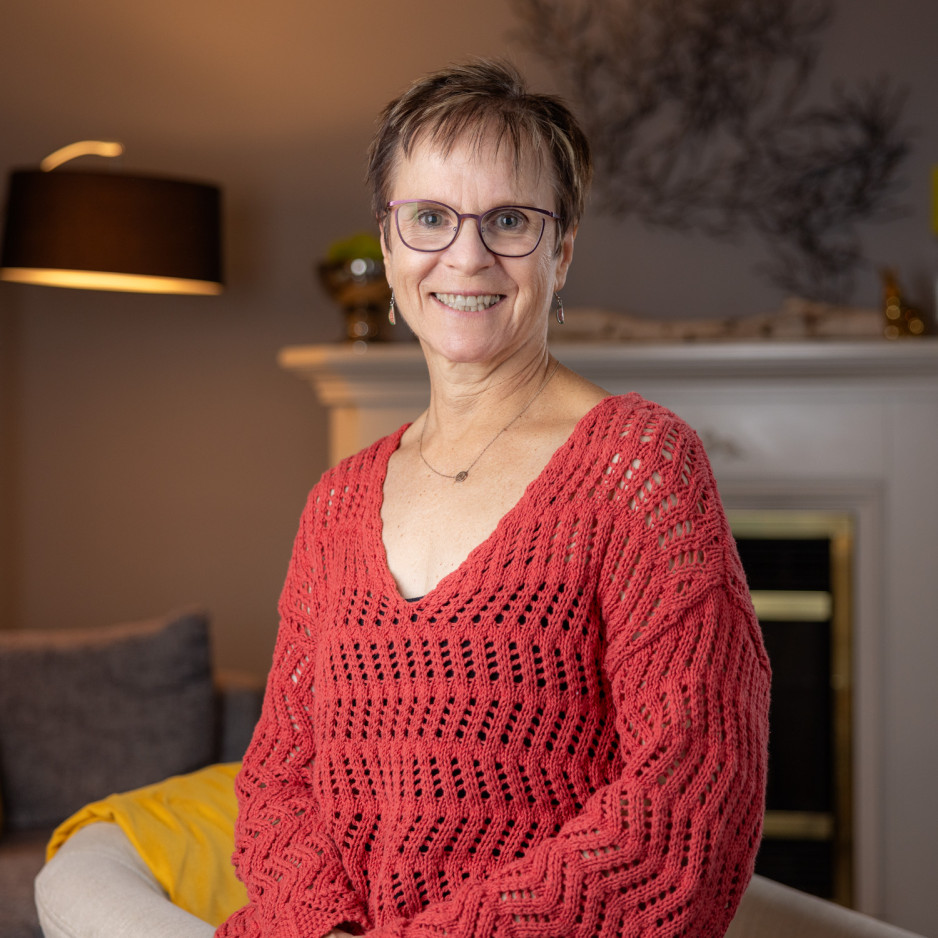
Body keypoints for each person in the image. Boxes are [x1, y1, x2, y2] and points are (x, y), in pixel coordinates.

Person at [35, 59, 770, 938]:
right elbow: (276, 782)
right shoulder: (338, 502)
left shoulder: (639, 466)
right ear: (387, 247)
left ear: (562, 250)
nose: (467, 255)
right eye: (429, 218)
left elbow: (691, 798)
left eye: (509, 220)